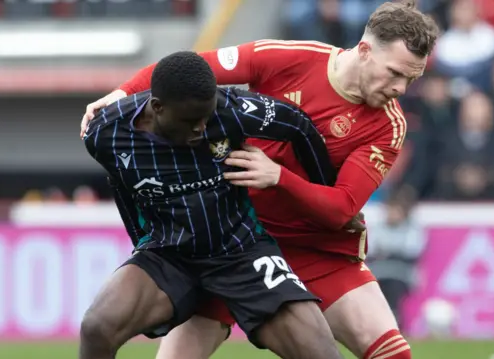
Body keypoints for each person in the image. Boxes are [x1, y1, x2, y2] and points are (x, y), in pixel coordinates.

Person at [81, 2, 439, 359]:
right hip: (232, 237)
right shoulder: (288, 57)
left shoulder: (388, 125)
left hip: (313, 246)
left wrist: (279, 177)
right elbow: (187, 70)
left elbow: (340, 208)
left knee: (392, 355)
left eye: (411, 78)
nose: (401, 88)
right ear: (364, 51)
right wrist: (122, 94)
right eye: (394, 73)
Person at [80, 51, 345, 359]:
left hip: (241, 251)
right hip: (168, 254)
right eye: (191, 120)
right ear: (157, 107)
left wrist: (322, 192)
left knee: (321, 353)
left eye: (206, 117)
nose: (201, 128)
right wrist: (140, 242)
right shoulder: (106, 133)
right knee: (96, 327)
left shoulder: (232, 109)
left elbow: (298, 125)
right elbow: (121, 184)